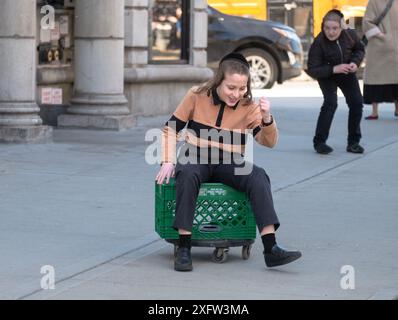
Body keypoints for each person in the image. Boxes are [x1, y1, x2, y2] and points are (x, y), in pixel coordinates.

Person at [155, 52, 302, 272]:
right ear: (218, 82)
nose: (236, 94)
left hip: (230, 161)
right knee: (186, 174)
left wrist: (267, 118)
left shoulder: (249, 106)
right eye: (231, 88)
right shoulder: (197, 95)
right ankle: (184, 248)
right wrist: (167, 160)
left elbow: (268, 141)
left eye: (242, 88)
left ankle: (271, 248)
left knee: (258, 176)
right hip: (196, 156)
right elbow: (171, 129)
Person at [307, 10, 365, 155]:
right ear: (323, 27)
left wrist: (355, 63)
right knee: (330, 103)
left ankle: (353, 142)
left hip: (346, 72)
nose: (331, 32)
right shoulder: (319, 42)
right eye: (327, 28)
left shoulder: (350, 34)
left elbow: (359, 49)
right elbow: (313, 69)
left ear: (341, 27)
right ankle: (319, 142)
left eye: (334, 28)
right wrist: (333, 69)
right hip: (327, 75)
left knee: (357, 103)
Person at [362, 0, 398, 120]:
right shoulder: (374, 2)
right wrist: (381, 36)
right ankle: (374, 111)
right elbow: (367, 22)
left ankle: (392, 110)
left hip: (384, 46)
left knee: (384, 79)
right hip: (380, 47)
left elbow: (367, 22)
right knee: (376, 79)